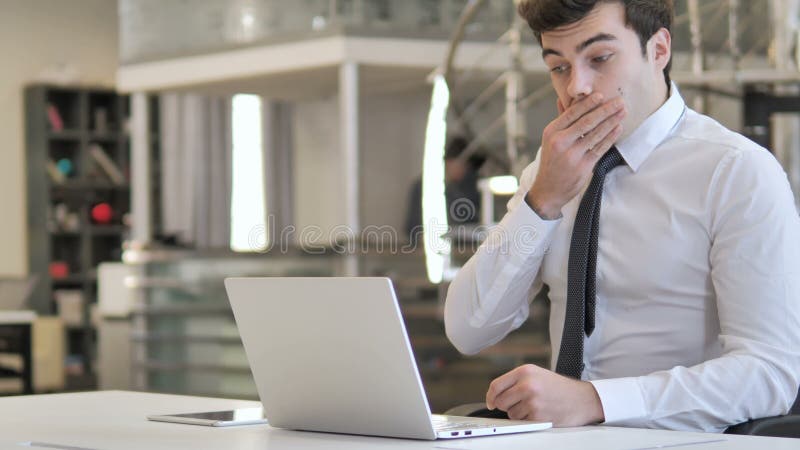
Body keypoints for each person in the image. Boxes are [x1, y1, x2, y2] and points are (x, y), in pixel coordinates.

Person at [444, 0, 800, 432]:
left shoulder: (736, 171)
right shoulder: (550, 169)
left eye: (600, 58)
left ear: (660, 49)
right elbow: (468, 330)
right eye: (559, 67)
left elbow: (770, 372)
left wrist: (597, 400)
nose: (577, 86)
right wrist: (542, 201)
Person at [405, 136, 486, 242]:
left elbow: (479, 221)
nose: (463, 169)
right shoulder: (424, 187)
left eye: (466, 166)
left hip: (466, 250)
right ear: (448, 162)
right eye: (460, 164)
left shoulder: (472, 186)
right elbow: (413, 227)